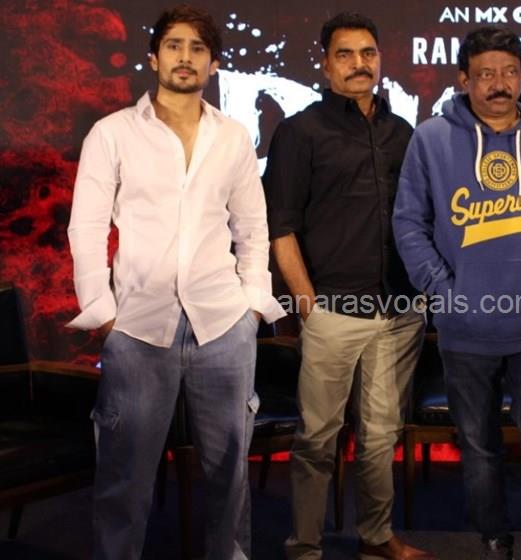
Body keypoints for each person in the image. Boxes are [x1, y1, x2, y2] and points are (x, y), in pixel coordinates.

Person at [67, 5, 285, 558]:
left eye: (197, 48)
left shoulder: (233, 137)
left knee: (230, 477)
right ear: (153, 57)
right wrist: (103, 313)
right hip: (137, 328)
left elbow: (252, 227)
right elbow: (86, 227)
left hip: (223, 325)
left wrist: (252, 308)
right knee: (124, 478)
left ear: (213, 64)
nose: (185, 57)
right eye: (174, 46)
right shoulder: (112, 134)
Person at [393, 26, 521, 560]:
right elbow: (409, 224)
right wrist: (445, 291)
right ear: (464, 79)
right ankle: (495, 538)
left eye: (508, 72)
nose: (498, 83)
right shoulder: (431, 139)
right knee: (479, 449)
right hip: (463, 331)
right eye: (485, 74)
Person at [262, 12, 433, 560]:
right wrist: (307, 304)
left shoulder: (402, 132)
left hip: (399, 312)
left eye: (368, 53)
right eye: (345, 54)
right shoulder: (299, 132)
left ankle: (375, 536)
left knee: (381, 436)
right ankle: (305, 547)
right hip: (332, 312)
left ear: (379, 60)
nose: (359, 64)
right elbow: (281, 227)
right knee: (317, 439)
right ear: (325, 64)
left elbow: (422, 218)